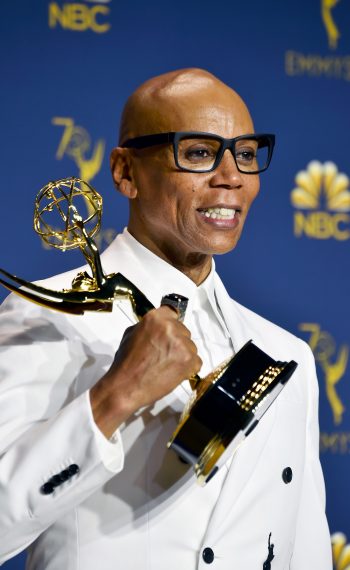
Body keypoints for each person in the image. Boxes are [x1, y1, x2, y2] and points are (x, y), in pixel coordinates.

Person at [0, 68, 331, 569]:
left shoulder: (290, 356)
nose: (232, 177)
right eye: (199, 152)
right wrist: (113, 398)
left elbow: (304, 551)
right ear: (124, 172)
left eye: (245, 154)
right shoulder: (49, 313)